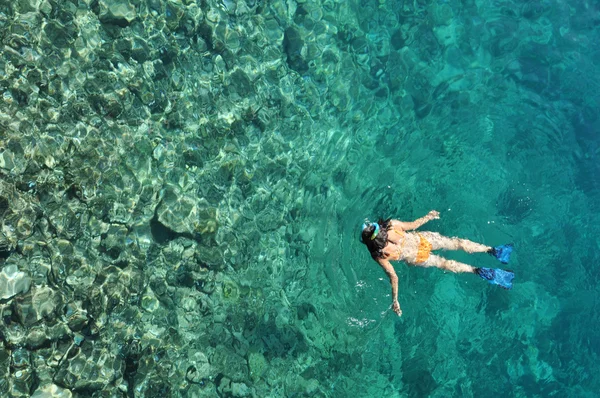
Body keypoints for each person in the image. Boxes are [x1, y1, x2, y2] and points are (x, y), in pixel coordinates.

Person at [360, 211, 514, 316]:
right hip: (424, 240)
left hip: (417, 257)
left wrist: (395, 300)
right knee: (456, 243)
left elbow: (394, 277)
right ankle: (492, 250)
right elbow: (414, 225)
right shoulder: (392, 225)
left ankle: (478, 271)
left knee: (444, 263)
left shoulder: (379, 255)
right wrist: (429, 216)